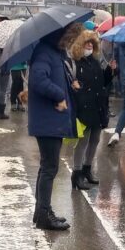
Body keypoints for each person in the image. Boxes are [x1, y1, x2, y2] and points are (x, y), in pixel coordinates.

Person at [28, 23, 78, 230]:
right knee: (50, 168)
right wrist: (59, 95)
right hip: (47, 121)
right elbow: (38, 79)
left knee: (47, 167)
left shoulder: (54, 52)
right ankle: (43, 215)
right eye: (67, 38)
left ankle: (42, 211)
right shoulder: (44, 52)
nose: (69, 43)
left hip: (51, 120)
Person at [69, 30, 114, 190]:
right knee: (83, 142)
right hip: (84, 107)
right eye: (87, 43)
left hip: (98, 106)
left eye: (92, 43)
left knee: (95, 140)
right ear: (80, 44)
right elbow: (72, 84)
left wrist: (110, 71)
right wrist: (77, 89)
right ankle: (77, 173)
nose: (89, 45)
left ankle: (87, 169)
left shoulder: (95, 61)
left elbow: (102, 82)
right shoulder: (76, 62)